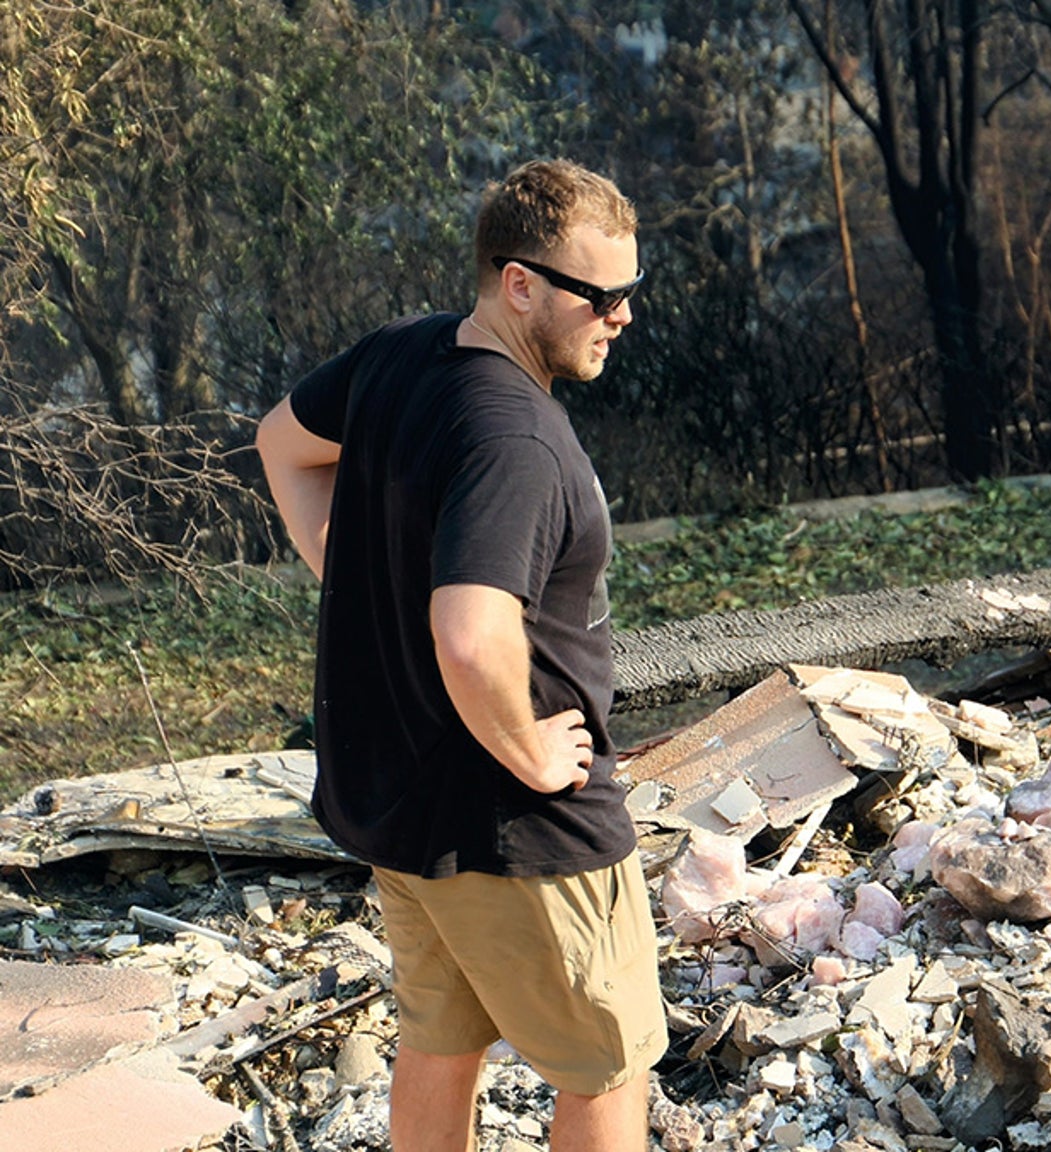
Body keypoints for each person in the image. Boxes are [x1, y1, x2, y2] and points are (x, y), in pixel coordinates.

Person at [256, 159, 665, 1152]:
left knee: (440, 1045)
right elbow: (471, 634)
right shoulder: (516, 437)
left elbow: (279, 443)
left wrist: (355, 575)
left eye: (630, 292)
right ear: (519, 283)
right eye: (598, 295)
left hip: (401, 803)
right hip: (515, 827)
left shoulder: (400, 356)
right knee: (609, 1068)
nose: (620, 316)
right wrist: (527, 751)